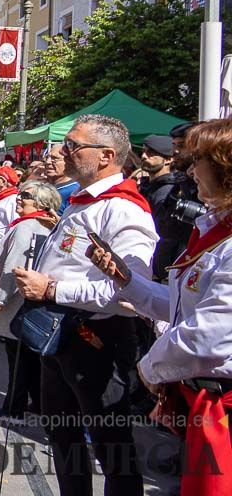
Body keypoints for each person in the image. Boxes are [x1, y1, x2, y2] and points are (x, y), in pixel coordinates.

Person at [13, 115, 158, 496]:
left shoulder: (124, 210)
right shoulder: (83, 200)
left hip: (97, 339)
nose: (63, 152)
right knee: (63, 436)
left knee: (113, 450)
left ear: (107, 155)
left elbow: (127, 290)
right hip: (60, 335)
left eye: (73, 146)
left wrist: (51, 289)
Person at [88, 118, 232, 496]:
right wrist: (127, 281)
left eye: (197, 160)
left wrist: (151, 367)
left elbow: (208, 334)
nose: (189, 169)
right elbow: (182, 305)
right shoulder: (215, 230)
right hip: (200, 403)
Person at [0, 180, 60, 423]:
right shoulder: (42, 225)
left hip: (17, 304)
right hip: (28, 301)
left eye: (24, 195)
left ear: (41, 203)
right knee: (29, 360)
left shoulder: (27, 227)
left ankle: (13, 409)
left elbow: (13, 267)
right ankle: (37, 404)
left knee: (18, 360)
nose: (18, 197)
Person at [139, 133, 199, 282]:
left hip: (160, 271)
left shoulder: (170, 192)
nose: (144, 156)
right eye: (144, 151)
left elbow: (167, 236)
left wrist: (158, 271)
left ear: (168, 159)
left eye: (151, 153)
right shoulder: (147, 188)